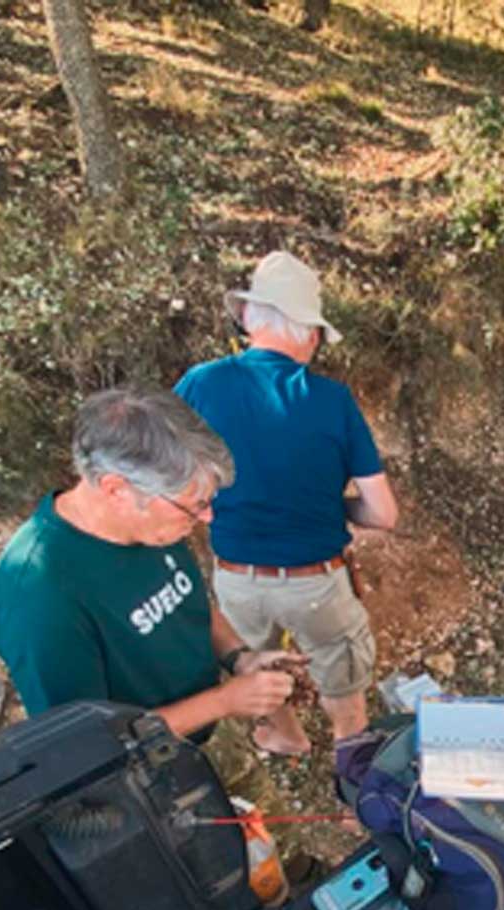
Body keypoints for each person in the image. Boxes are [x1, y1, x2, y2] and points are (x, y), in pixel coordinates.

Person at [0, 387, 307, 879]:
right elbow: (85, 751)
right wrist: (225, 701)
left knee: (267, 837)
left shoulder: (153, 526)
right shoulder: (42, 597)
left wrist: (239, 659)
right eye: (193, 506)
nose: (207, 519)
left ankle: (298, 878)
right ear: (116, 489)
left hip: (210, 737)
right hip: (145, 790)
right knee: (216, 879)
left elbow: (190, 599)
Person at [175, 251, 399, 756]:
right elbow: (383, 513)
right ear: (311, 334)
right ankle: (353, 786)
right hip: (315, 581)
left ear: (250, 319)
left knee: (254, 664)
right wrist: (336, 508)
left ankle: (286, 735)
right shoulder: (333, 400)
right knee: (344, 686)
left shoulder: (198, 384)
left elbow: (167, 472)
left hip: (235, 576)